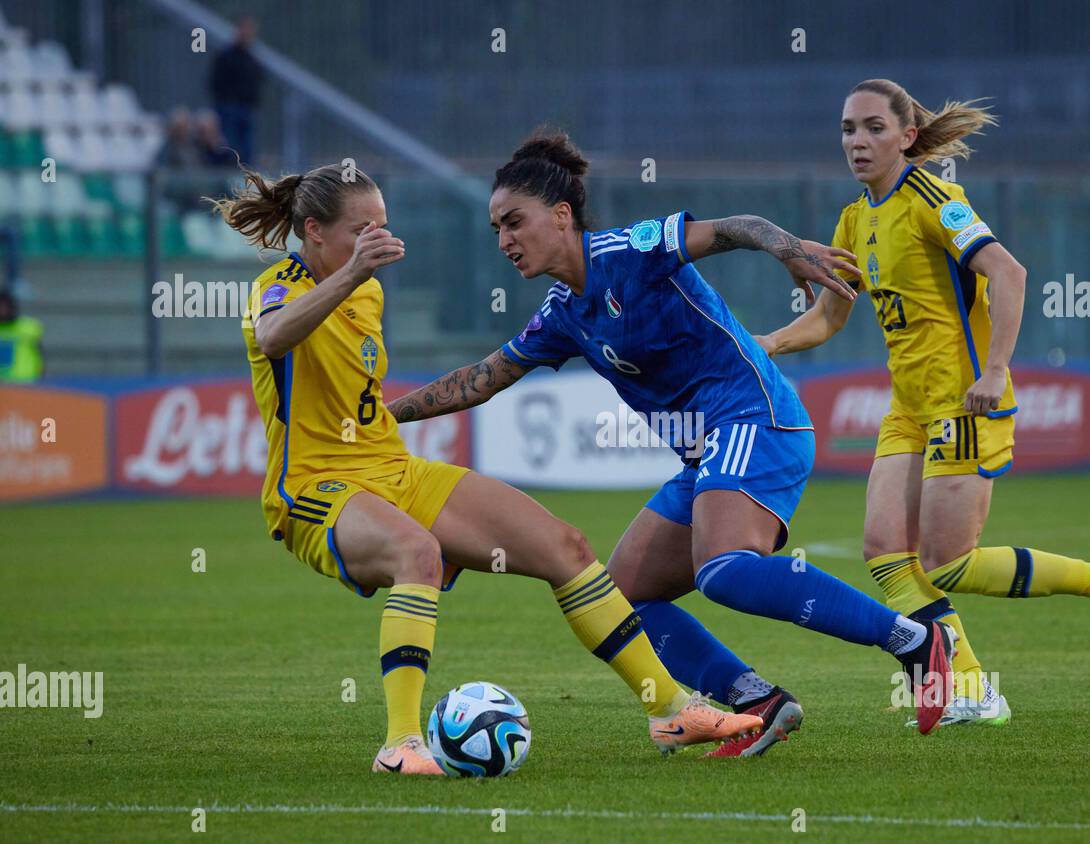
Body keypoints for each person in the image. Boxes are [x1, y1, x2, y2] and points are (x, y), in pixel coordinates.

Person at [387, 130, 959, 742]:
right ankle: (756, 700)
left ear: (560, 216)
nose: (503, 240)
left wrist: (788, 249)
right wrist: (381, 415)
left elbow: (733, 226)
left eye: (513, 221)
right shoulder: (561, 313)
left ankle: (917, 640)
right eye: (496, 228)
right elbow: (480, 380)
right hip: (707, 451)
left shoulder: (626, 251)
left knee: (725, 568)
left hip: (754, 416)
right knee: (620, 597)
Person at [206, 162, 760, 776]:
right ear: (313, 231)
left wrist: (361, 288)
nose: (378, 242)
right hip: (313, 488)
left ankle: (671, 710)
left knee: (566, 546)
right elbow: (276, 337)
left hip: (392, 469)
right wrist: (355, 270)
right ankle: (400, 745)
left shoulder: (368, 288)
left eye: (383, 228)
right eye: (363, 230)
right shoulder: (278, 287)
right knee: (416, 553)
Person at [755, 78, 1090, 728]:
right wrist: (766, 342)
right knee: (885, 553)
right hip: (907, 405)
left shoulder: (936, 199)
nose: (857, 140)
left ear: (907, 136)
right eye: (848, 129)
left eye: (873, 128)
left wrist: (995, 370)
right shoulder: (856, 217)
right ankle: (971, 686)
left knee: (950, 563)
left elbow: (1011, 273)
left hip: (962, 402)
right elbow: (829, 318)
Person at [209, 15, 261, 164]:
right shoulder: (226, 56)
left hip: (246, 109)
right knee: (229, 147)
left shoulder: (252, 58)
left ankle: (244, 179)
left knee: (247, 150)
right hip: (228, 108)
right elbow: (215, 82)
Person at [0, 290, 44, 382]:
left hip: (26, 383)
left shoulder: (30, 327)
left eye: (5, 306)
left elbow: (40, 355)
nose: (2, 310)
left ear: (13, 307)